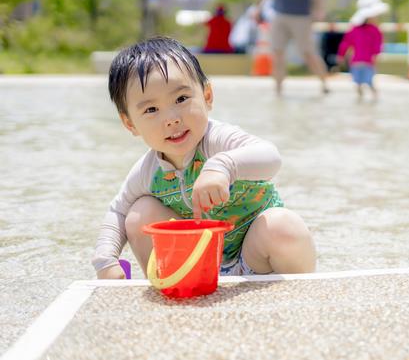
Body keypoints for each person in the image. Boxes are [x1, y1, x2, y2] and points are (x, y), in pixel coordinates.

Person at [93, 37, 316, 279]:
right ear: (130, 124)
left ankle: (299, 292)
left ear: (207, 96)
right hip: (197, 263)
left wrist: (223, 166)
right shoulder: (148, 171)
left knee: (283, 225)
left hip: (257, 259)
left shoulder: (217, 140)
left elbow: (271, 157)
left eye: (181, 99)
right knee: (139, 214)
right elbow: (118, 212)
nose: (171, 118)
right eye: (151, 110)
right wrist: (105, 259)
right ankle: (171, 284)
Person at [336, 0, 389, 99]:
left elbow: (346, 43)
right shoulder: (370, 30)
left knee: (368, 82)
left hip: (362, 61)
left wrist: (341, 54)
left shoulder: (359, 29)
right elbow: (347, 43)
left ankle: (369, 97)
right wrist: (341, 55)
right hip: (360, 61)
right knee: (360, 82)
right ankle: (364, 98)